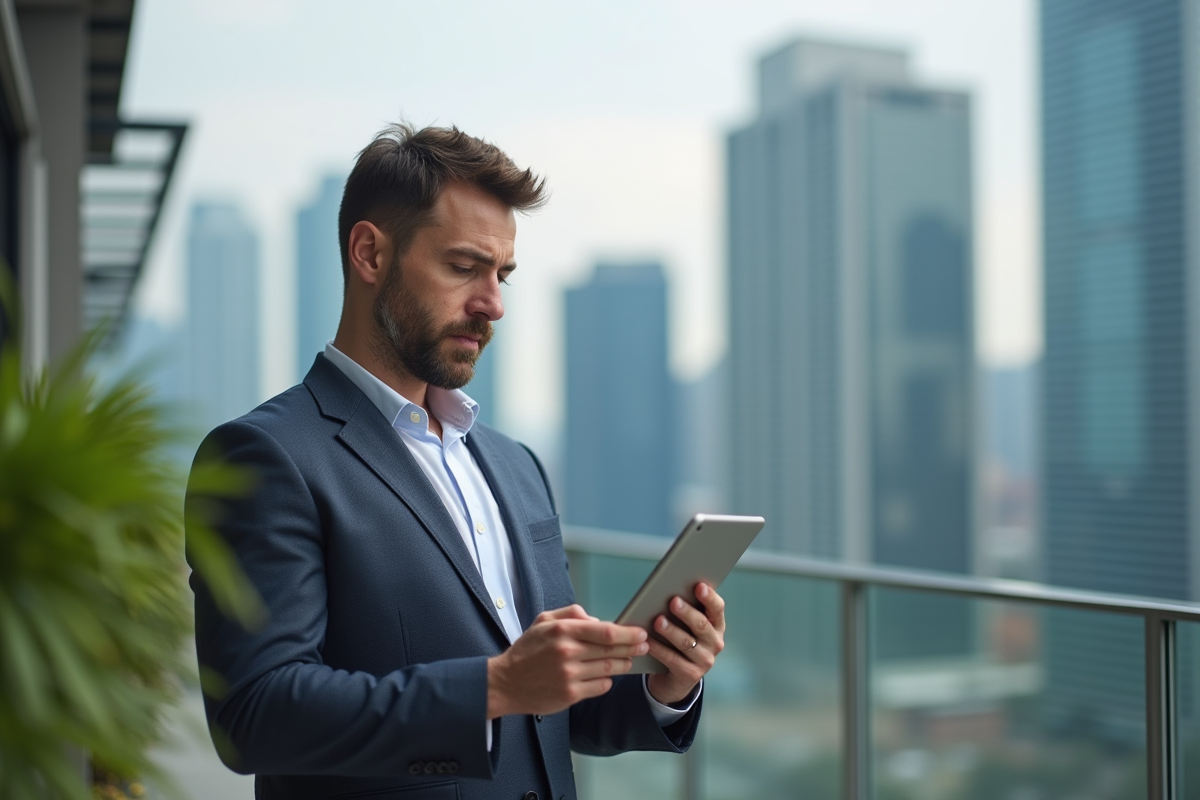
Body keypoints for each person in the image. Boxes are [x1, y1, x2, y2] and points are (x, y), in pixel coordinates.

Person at [186, 123, 730, 800]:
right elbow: (256, 714)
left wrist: (665, 683)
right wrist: (494, 686)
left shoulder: (516, 465)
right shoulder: (264, 458)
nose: (492, 304)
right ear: (369, 253)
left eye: (502, 275)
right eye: (464, 267)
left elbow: (548, 712)